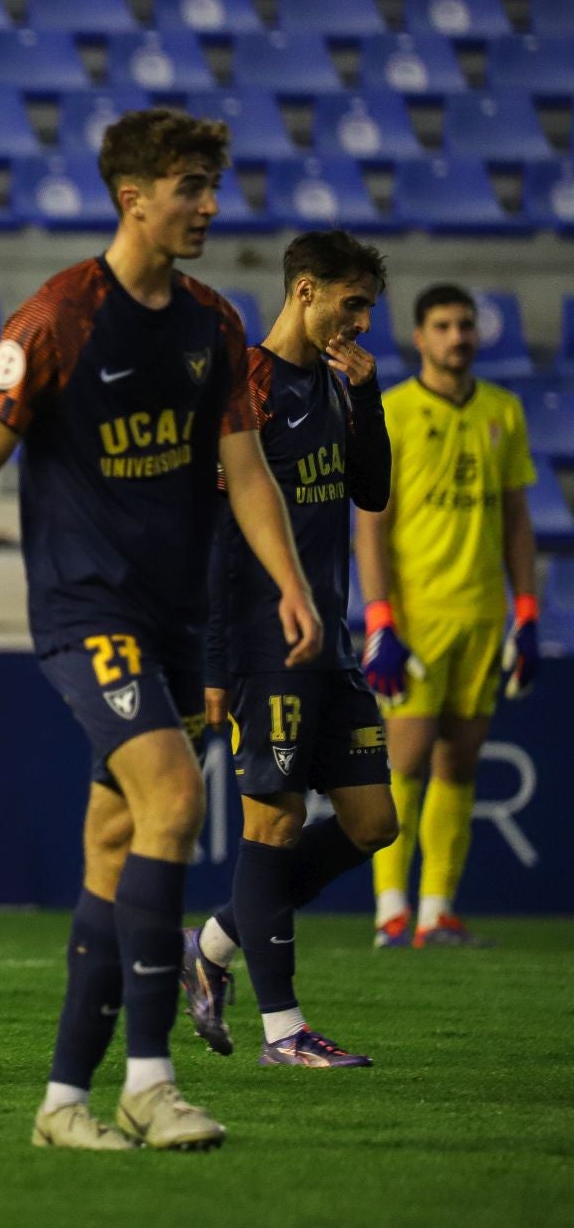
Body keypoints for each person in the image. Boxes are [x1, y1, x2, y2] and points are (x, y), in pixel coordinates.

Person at [0, 109, 323, 1151]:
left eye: (212, 186)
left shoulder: (214, 324)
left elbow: (246, 472)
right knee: (173, 795)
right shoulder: (55, 321)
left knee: (115, 846)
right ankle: (150, 1083)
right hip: (86, 608)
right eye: (191, 188)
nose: (210, 206)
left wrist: (290, 586)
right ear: (135, 198)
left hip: (180, 617)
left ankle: (62, 1103)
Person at [181, 231, 398, 1070]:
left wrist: (370, 399)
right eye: (352, 304)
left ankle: (213, 942)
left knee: (372, 822)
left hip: (330, 639)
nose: (362, 321)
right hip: (261, 640)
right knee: (274, 822)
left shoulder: (340, 385)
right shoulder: (248, 387)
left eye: (368, 307)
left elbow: (371, 492)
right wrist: (210, 662)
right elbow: (208, 536)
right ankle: (285, 1033)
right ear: (305, 291)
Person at [356, 284, 540, 949]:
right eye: (443, 326)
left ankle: (437, 911)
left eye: (465, 325)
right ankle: (390, 910)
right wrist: (380, 619)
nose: (457, 336)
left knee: (459, 762)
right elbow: (371, 528)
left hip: (482, 615)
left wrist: (526, 611)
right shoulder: (395, 412)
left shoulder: (503, 411)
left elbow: (516, 520)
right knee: (403, 758)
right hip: (417, 616)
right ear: (421, 336)